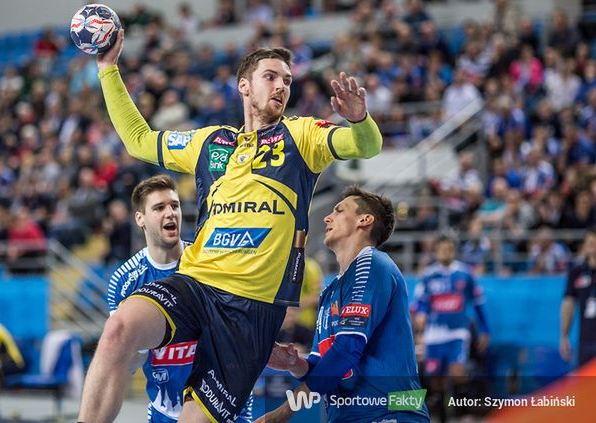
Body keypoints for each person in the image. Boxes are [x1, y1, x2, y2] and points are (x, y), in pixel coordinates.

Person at [79, 30, 383, 423]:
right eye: (271, 77)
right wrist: (108, 69)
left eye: (287, 80)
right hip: (196, 283)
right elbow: (139, 141)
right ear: (244, 85)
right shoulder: (210, 143)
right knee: (119, 328)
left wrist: (359, 118)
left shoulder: (302, 135)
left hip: (250, 312)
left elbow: (366, 145)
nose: (281, 86)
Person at [258, 186, 429, 422]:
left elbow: (347, 349)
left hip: (388, 412)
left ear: (365, 220)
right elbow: (323, 364)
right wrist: (294, 364)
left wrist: (282, 413)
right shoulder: (330, 289)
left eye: (339, 211)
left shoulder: (372, 263)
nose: (328, 217)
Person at [107, 174, 252, 422]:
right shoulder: (124, 281)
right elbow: (125, 365)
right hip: (165, 412)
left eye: (174, 205)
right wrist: (137, 344)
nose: (170, 213)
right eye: (159, 207)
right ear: (140, 218)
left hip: (223, 407)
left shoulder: (209, 261)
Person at [413, 236, 490, 420]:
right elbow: (420, 303)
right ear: (436, 251)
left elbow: (478, 303)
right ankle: (442, 418)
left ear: (453, 250)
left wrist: (485, 330)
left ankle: (464, 415)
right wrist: (421, 316)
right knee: (436, 380)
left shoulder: (465, 273)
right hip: (434, 333)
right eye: (442, 249)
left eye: (449, 248)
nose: (445, 252)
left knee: (457, 372)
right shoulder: (428, 275)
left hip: (457, 331)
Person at [560, 227, 596, 367]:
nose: (592, 247)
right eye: (590, 243)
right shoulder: (577, 271)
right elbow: (568, 304)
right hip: (586, 341)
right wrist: (564, 336)